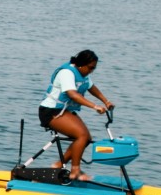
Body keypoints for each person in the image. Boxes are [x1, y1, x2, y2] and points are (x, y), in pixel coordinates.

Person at [38, 49, 115, 181]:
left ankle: (58, 165)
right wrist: (94, 106)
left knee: (86, 138)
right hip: (50, 111)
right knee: (82, 136)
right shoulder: (66, 73)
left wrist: (106, 101)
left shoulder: (83, 74)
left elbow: (91, 87)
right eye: (90, 68)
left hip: (63, 110)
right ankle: (75, 171)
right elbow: (72, 94)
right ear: (81, 64)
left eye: (94, 68)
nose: (92, 71)